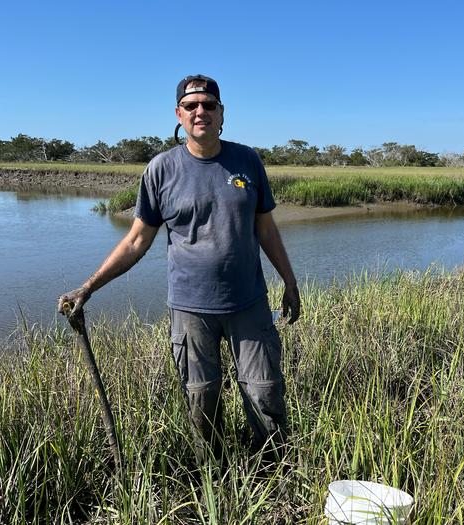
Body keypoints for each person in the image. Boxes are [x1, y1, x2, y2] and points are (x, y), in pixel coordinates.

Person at [58, 74, 300, 464]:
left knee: (264, 393)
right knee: (201, 401)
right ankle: (217, 478)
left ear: (222, 114)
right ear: (178, 114)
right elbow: (137, 240)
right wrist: (87, 288)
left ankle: (274, 472)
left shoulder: (248, 161)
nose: (200, 111)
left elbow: (266, 229)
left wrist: (289, 280)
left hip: (249, 304)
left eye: (209, 105)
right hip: (190, 309)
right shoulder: (161, 170)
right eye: (191, 106)